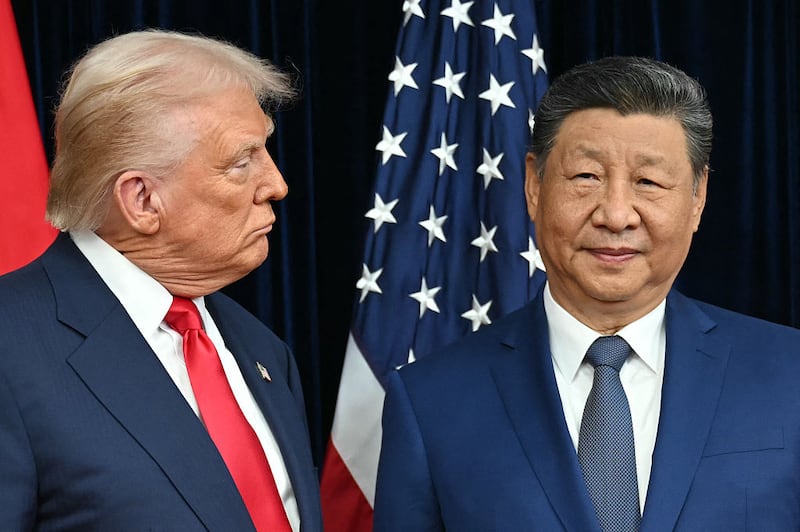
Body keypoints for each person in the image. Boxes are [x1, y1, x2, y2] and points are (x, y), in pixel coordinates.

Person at [373, 56, 800, 531]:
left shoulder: (790, 374)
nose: (616, 215)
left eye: (649, 182)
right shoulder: (430, 401)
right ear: (534, 185)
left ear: (697, 198)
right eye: (586, 177)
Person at [0, 30, 322, 531]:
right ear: (143, 200)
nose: (277, 184)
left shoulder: (262, 350)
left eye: (266, 150)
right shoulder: (10, 349)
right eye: (242, 162)